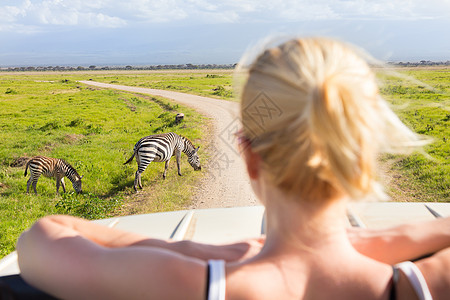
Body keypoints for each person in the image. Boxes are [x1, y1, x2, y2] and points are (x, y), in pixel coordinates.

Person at [16, 37, 450, 300]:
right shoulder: (423, 285)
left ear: (249, 155)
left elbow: (42, 236)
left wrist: (205, 251)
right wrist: (378, 241)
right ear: (366, 155)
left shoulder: (192, 282)